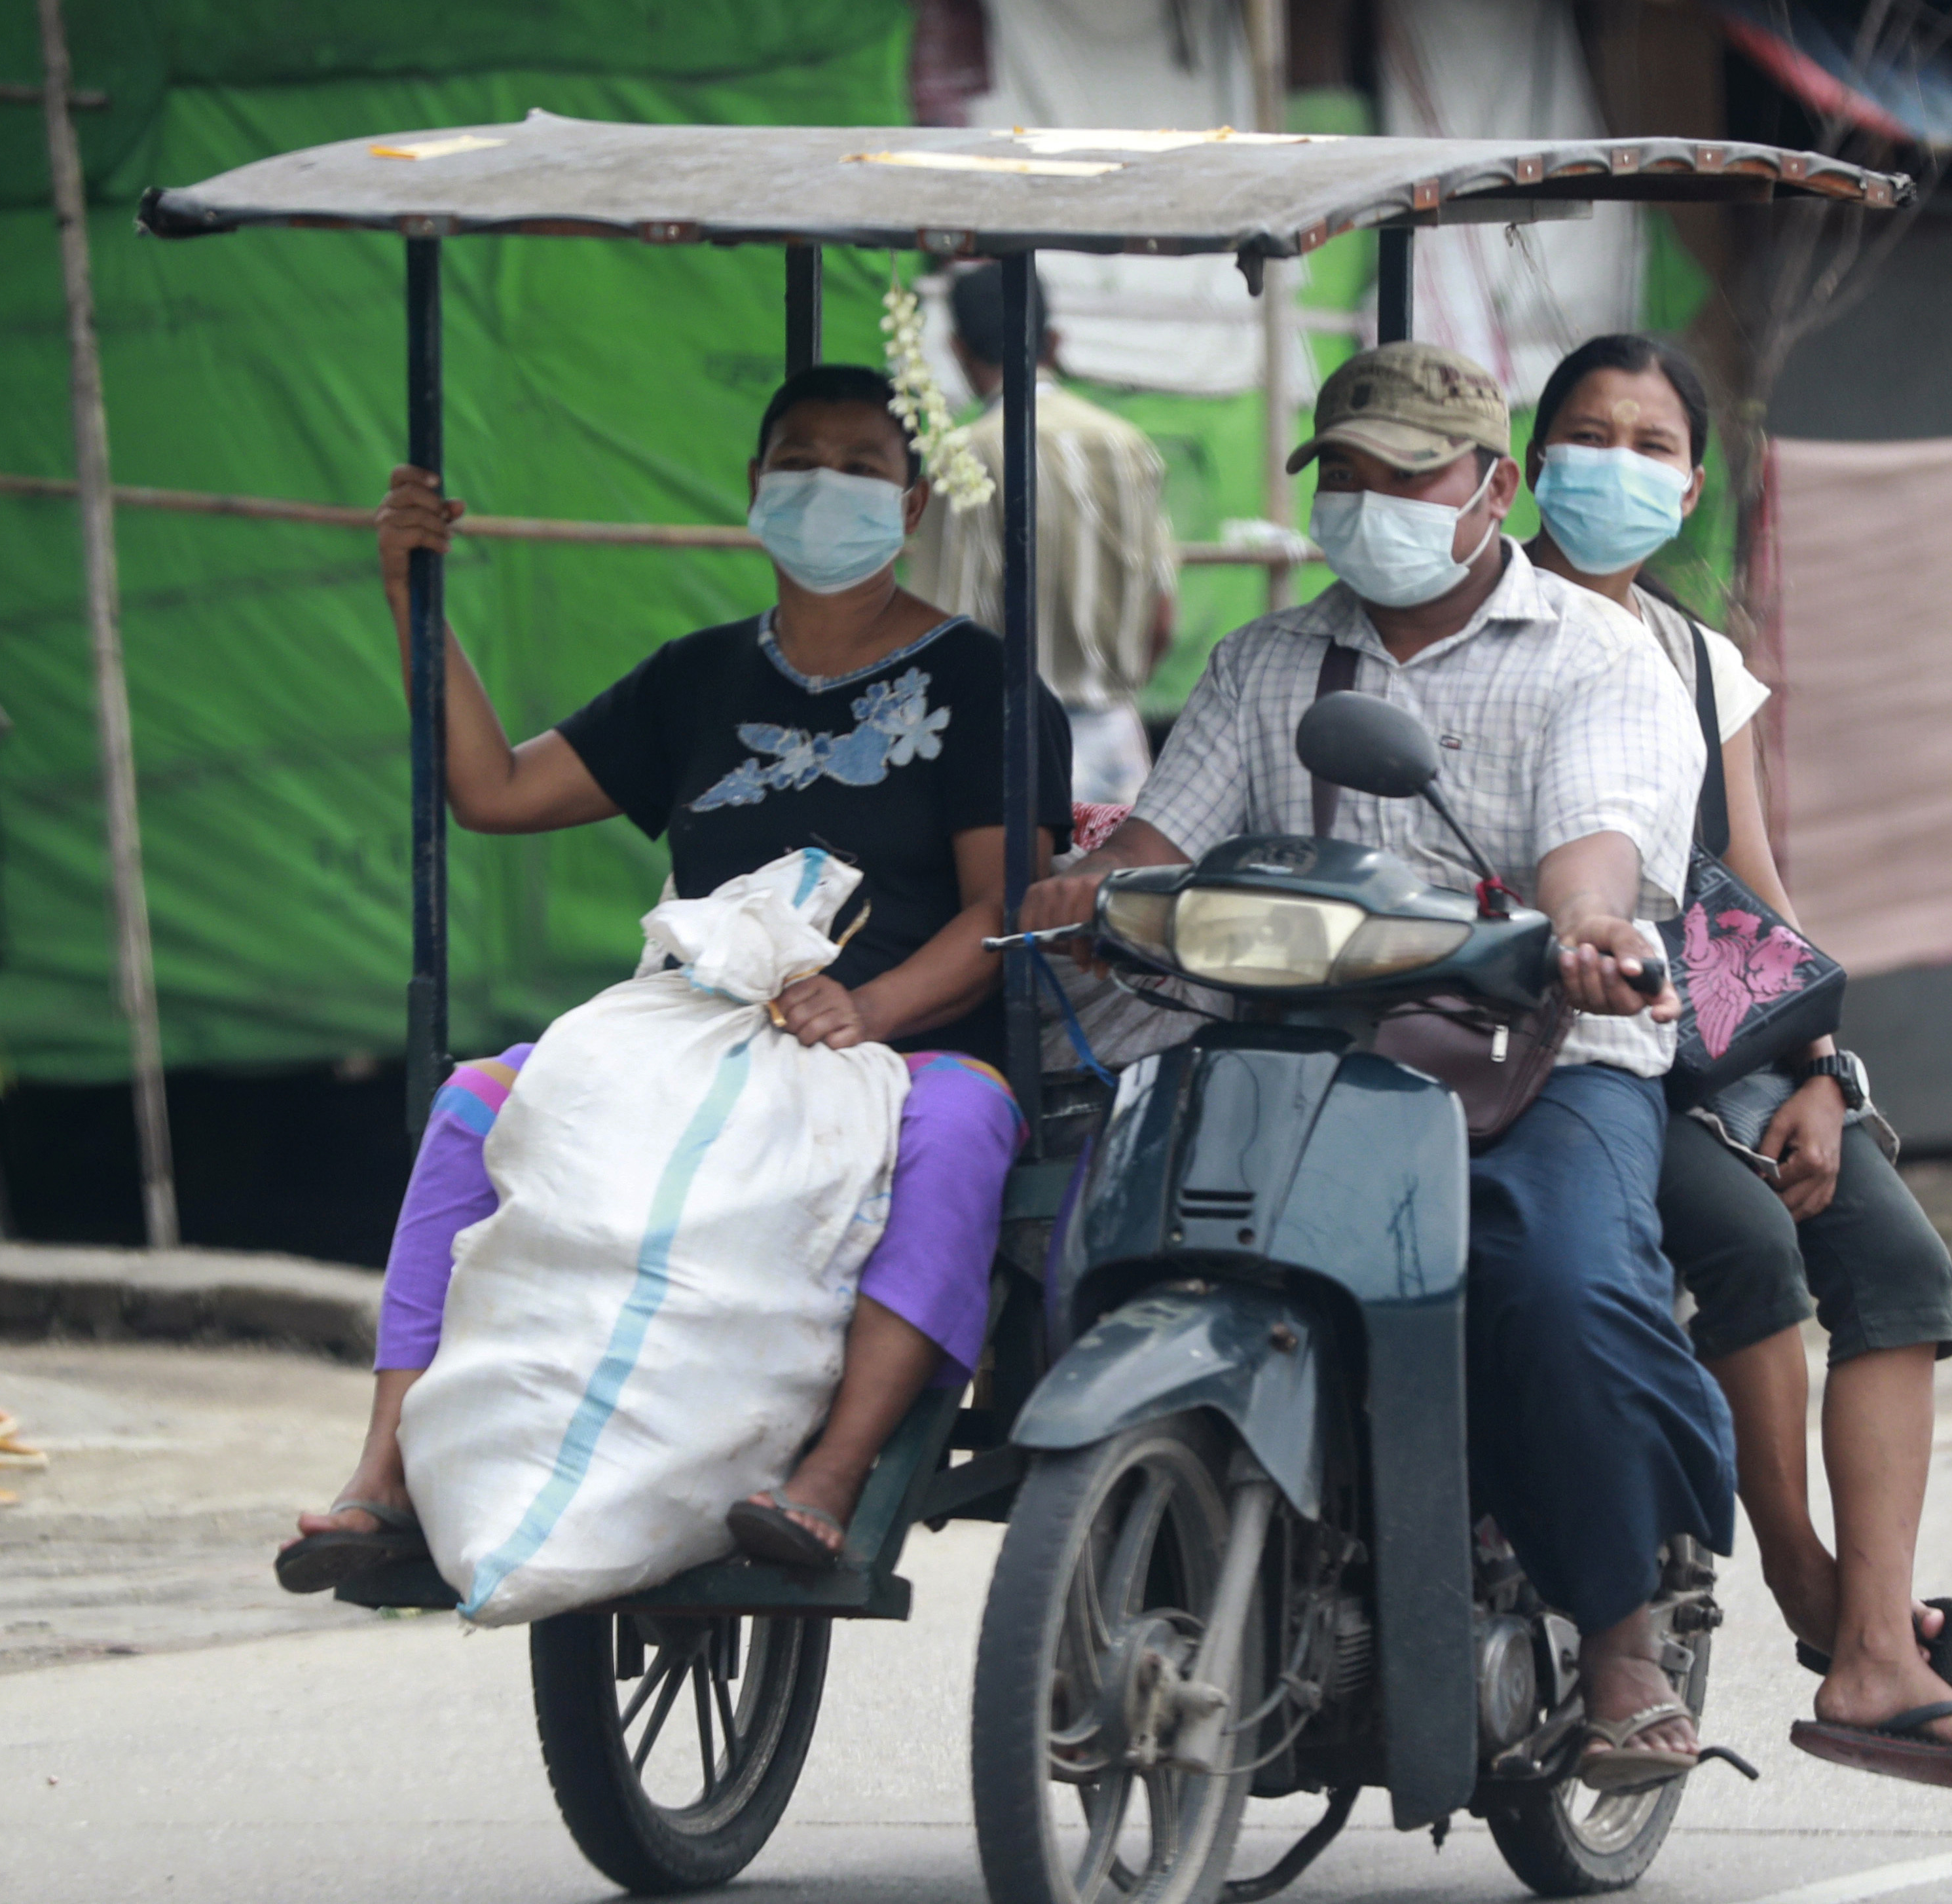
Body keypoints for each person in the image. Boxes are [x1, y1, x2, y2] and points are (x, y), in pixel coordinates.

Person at [1022, 341, 1739, 1791]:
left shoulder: (1601, 658)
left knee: (1553, 1280)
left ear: (1489, 489)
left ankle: (1615, 1638)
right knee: (1092, 1222)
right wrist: (1085, 898)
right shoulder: (1269, 659)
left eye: (1407, 475)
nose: (1372, 503)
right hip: (1292, 1038)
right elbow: (1160, 847)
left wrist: (1591, 925)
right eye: (1343, 476)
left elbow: (1595, 843)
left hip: (1540, 1045)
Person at [278, 364, 1073, 1593]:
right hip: (696, 1034)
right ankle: (382, 1470)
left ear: (911, 507)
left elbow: (1002, 908)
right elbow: (491, 791)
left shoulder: (978, 684)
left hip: (902, 1040)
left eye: (862, 466)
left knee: (967, 1125)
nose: (827, 485)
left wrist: (865, 1007)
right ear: (753, 490)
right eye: (799, 461)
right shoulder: (694, 679)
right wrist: (410, 593)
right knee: (475, 1101)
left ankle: (834, 1476)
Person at [1520, 333, 1952, 1791]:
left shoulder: (1702, 665)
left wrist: (1821, 1067)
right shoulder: (1495, 624)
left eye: (1651, 445)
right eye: (1590, 432)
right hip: (1573, 1046)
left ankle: (1875, 1639)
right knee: (1751, 1241)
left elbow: (1746, 897)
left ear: (1693, 485)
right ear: (1527, 461)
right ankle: (1807, 1586)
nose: (1618, 465)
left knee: (1890, 1252)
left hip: (1720, 1038)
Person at [907, 263, 1181, 806]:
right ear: (1054, 340)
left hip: (1004, 741)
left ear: (958, 349)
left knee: (1016, 891)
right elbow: (1162, 618)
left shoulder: (966, 455)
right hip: (1113, 736)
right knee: (1113, 885)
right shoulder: (1126, 443)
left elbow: (942, 629)